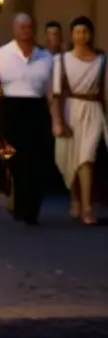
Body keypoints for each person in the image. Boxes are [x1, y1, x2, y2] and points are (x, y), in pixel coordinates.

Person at [0, 13, 53, 225]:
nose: (25, 30)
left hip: (36, 108)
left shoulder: (46, 57)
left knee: (36, 160)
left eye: (29, 26)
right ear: (14, 29)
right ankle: (15, 196)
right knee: (11, 156)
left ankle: (30, 209)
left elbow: (51, 90)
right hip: (10, 109)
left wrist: (55, 116)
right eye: (21, 26)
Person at [51, 16, 106, 225]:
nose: (81, 36)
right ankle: (75, 198)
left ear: (90, 34)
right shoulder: (62, 60)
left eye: (85, 31)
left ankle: (87, 207)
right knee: (69, 158)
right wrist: (57, 121)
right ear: (72, 35)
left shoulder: (101, 60)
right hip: (70, 110)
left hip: (93, 110)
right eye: (77, 31)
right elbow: (56, 94)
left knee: (86, 158)